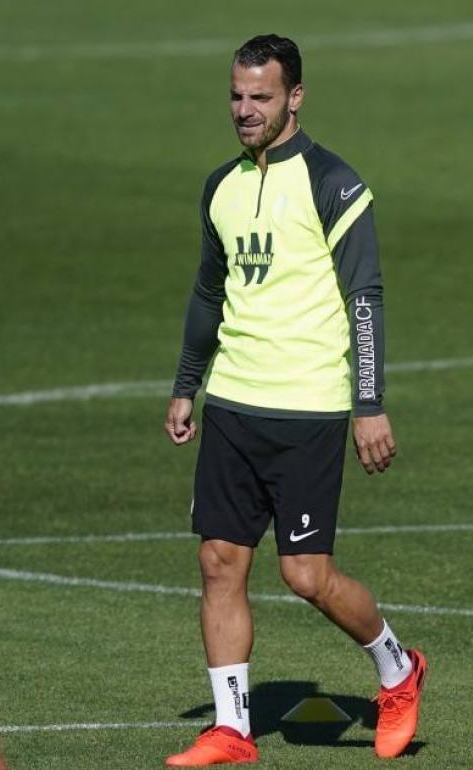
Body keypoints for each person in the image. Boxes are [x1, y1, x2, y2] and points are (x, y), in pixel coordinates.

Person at [162, 34, 426, 765]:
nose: (245, 111)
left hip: (308, 407)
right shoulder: (219, 185)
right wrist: (188, 384)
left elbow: (364, 299)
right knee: (220, 561)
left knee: (305, 575)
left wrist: (367, 402)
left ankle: (398, 671)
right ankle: (232, 729)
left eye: (261, 98)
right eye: (236, 97)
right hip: (234, 405)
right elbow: (209, 293)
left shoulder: (333, 182)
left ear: (295, 98)